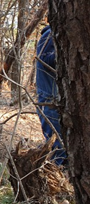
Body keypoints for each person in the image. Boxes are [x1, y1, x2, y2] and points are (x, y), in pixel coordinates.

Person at [35, 25, 67, 165]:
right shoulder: (50, 34)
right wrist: (67, 50)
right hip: (50, 103)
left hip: (56, 102)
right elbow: (46, 61)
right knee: (59, 152)